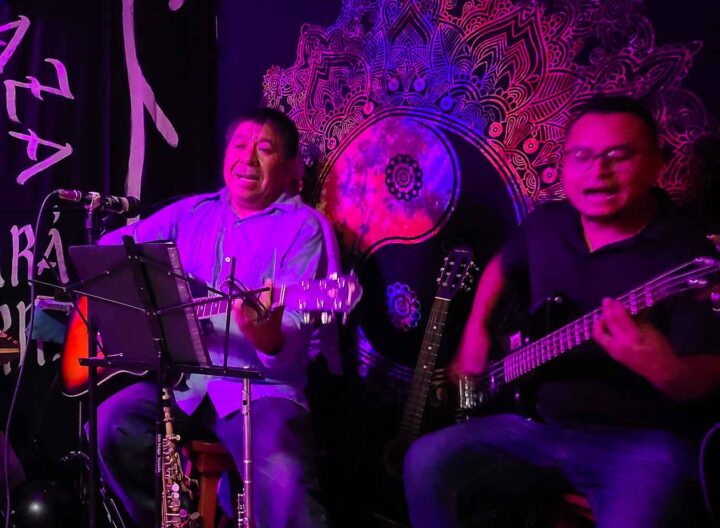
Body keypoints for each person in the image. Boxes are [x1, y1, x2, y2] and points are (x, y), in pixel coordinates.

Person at [403, 96, 720, 527]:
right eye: (582, 156)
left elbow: (703, 375)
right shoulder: (549, 222)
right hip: (537, 425)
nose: (598, 172)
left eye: (618, 156)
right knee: (426, 461)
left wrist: (666, 371)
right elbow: (500, 268)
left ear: (657, 164)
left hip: (641, 443)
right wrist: (475, 333)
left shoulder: (688, 255)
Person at [95, 108, 333, 527]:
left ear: (289, 165)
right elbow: (111, 250)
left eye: (265, 149)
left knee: (283, 477)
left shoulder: (304, 228)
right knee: (113, 424)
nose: (248, 159)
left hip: (259, 390)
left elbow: (293, 335)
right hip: (185, 385)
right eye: (240, 146)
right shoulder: (193, 213)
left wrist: (266, 334)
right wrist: (122, 313)